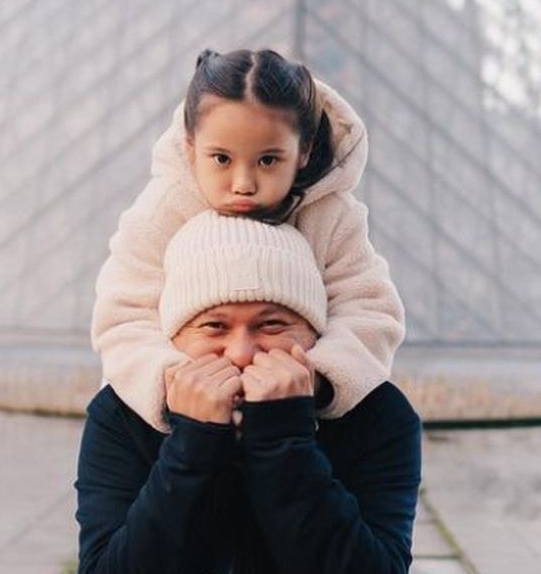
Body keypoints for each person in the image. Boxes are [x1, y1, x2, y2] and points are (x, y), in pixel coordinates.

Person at [76, 211, 422, 573]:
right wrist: (193, 444)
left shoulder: (376, 413)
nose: (241, 353)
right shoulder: (124, 414)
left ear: (314, 333)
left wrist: (282, 440)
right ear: (174, 337)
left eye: (272, 324)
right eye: (214, 326)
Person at [91, 47, 405, 435]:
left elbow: (369, 310)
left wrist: (316, 378)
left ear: (304, 151)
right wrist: (177, 384)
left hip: (299, 414)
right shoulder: (161, 211)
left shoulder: (333, 215)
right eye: (222, 159)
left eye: (268, 160)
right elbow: (123, 316)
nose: (243, 184)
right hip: (176, 422)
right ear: (190, 147)